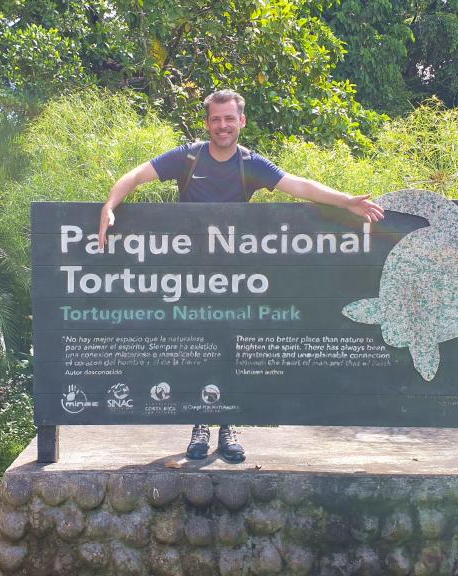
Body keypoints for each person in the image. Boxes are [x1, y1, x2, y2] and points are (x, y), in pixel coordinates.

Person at [98, 89, 384, 463]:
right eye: (216, 119)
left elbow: (298, 186)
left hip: (237, 277)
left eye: (229, 119)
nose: (222, 126)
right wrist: (109, 205)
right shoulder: (188, 157)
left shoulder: (250, 163)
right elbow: (135, 176)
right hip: (191, 279)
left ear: (241, 121)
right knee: (199, 349)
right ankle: (200, 425)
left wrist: (347, 200)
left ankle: (228, 425)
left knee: (230, 348)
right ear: (207, 123)